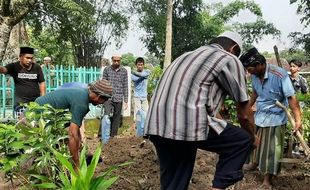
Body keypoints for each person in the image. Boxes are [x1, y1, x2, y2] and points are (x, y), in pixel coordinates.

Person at [144, 31, 258, 190]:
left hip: (156, 124)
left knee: (174, 183)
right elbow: (244, 114)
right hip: (186, 123)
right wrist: (252, 137)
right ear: (233, 48)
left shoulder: (185, 56)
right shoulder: (228, 58)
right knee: (240, 140)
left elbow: (200, 100)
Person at [240, 47, 302, 189]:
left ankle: (267, 179)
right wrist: (247, 108)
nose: (249, 73)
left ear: (259, 65)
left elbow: (292, 98)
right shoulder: (255, 76)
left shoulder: (280, 75)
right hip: (260, 115)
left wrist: (298, 120)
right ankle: (254, 163)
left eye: (251, 69)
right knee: (254, 142)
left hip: (276, 117)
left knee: (272, 150)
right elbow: (255, 93)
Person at [35, 79, 113, 169]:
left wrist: (79, 145)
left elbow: (73, 128)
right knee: (37, 156)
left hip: (37, 115)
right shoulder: (81, 103)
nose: (103, 103)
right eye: (105, 100)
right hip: (33, 119)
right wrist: (76, 164)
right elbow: (72, 134)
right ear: (99, 97)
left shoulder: (81, 94)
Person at [0, 47, 46, 117]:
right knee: (23, 124)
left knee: (35, 124)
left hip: (35, 102)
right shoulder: (14, 66)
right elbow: (4, 70)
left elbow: (42, 82)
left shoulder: (37, 67)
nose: (30, 60)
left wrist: (43, 97)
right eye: (27, 58)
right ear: (20, 57)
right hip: (20, 103)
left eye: (31, 58)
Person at [101, 55, 128, 137]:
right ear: (112, 60)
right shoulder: (107, 69)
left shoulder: (124, 71)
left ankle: (113, 136)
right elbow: (103, 83)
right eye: (115, 60)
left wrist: (126, 100)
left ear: (120, 60)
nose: (116, 62)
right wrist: (102, 96)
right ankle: (102, 135)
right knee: (106, 115)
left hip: (119, 97)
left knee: (117, 117)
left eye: (118, 61)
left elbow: (125, 85)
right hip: (108, 97)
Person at [131, 57, 151, 124]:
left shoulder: (147, 71)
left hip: (144, 96)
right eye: (138, 64)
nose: (140, 66)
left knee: (146, 112)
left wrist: (135, 73)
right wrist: (141, 76)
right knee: (138, 113)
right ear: (136, 65)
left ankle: (145, 127)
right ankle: (138, 126)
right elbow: (136, 79)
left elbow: (144, 75)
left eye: (141, 64)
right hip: (137, 96)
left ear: (143, 65)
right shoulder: (132, 75)